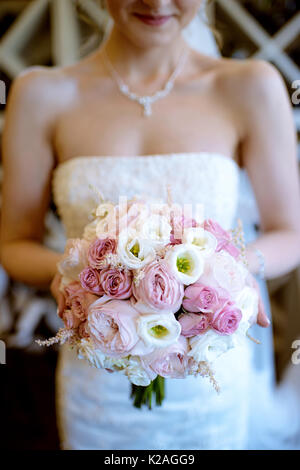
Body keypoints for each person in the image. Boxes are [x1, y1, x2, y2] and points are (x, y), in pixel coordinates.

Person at [1, 0, 300, 450]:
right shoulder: (39, 94)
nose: (157, 2)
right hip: (97, 376)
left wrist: (225, 271)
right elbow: (14, 242)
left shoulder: (250, 87)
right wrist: (73, 277)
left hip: (210, 380)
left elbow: (290, 232)